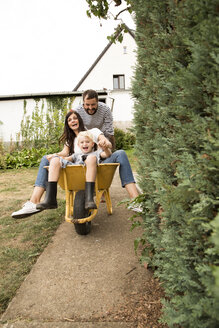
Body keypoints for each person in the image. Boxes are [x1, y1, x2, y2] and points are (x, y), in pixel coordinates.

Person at [12, 111, 140, 219]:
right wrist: (54, 156)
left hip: (99, 163)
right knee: (46, 159)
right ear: (67, 124)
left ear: (80, 119)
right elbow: (65, 154)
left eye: (75, 118)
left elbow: (105, 143)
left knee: (121, 153)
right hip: (81, 167)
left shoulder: (93, 131)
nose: (73, 121)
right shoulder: (71, 141)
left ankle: (135, 199)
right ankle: (34, 202)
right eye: (69, 120)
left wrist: (104, 143)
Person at [36, 130, 112, 211]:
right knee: (55, 160)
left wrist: (106, 149)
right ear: (78, 145)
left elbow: (107, 154)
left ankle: (89, 198)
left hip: (91, 176)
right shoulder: (76, 155)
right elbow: (66, 159)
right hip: (74, 178)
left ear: (92, 144)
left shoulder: (96, 153)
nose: (84, 144)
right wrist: (55, 156)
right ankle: (50, 199)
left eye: (87, 142)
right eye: (82, 142)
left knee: (91, 158)